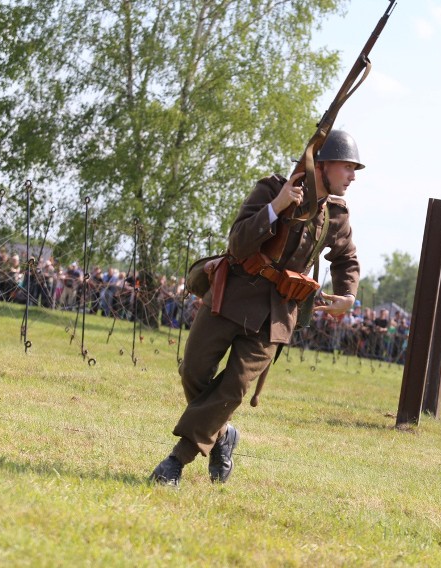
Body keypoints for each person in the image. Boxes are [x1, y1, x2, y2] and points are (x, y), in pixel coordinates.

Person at [150, 130, 364, 486]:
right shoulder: (271, 189)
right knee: (194, 372)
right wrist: (277, 207)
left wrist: (348, 294)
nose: (353, 176)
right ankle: (223, 434)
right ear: (323, 165)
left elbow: (346, 258)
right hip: (232, 293)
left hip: (277, 316)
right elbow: (237, 242)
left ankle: (175, 462)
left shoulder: (336, 214)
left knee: (232, 388)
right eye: (347, 167)